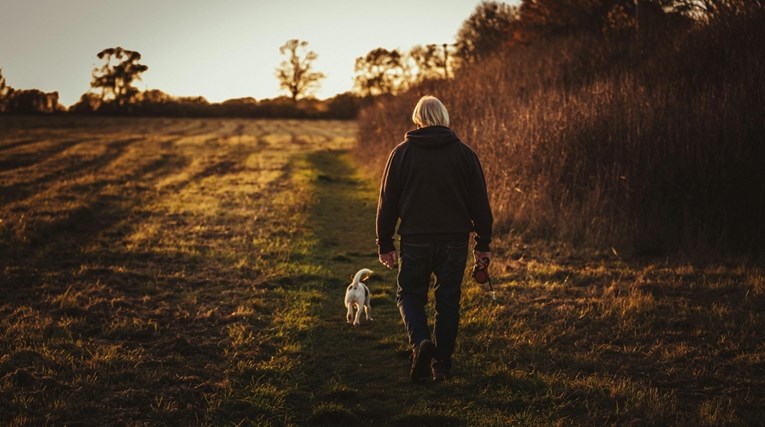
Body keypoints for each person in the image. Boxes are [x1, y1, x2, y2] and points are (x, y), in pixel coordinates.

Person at [376, 95, 493, 382]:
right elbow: (480, 203)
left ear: (417, 119)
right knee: (448, 301)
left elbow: (387, 201)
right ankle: (442, 366)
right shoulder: (465, 154)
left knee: (409, 294)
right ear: (444, 118)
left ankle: (420, 343)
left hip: (415, 240)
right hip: (454, 241)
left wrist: (385, 243)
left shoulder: (401, 154)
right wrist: (483, 244)